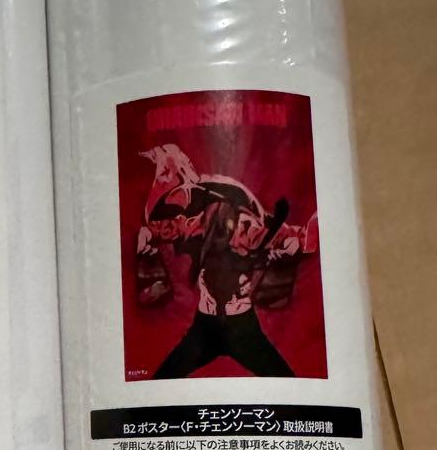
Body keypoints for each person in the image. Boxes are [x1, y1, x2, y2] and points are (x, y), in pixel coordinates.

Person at [134, 144, 315, 379]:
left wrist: (293, 246)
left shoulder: (257, 224)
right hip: (205, 327)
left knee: (286, 382)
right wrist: (145, 240)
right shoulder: (194, 222)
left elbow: (304, 238)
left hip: (243, 328)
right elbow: (157, 229)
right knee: (163, 379)